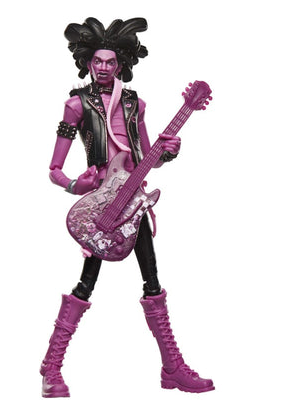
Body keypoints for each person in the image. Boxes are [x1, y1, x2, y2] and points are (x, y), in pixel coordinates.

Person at [40, 17, 214, 398]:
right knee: (86, 283)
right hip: (101, 206)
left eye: (110, 61)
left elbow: (149, 157)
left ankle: (172, 367)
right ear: (87, 62)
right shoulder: (76, 105)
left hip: (133, 203)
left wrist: (168, 151)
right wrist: (74, 184)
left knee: (152, 280)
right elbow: (54, 168)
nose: (103, 67)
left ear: (121, 63)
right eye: (97, 61)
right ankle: (51, 368)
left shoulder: (136, 104)